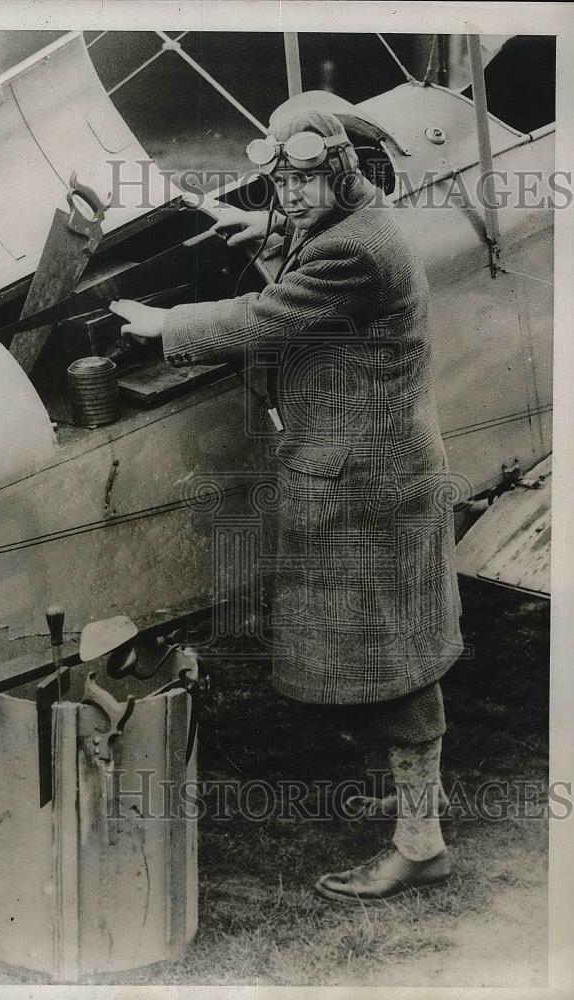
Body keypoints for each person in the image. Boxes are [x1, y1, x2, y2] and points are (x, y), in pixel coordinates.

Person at [110, 94, 465, 903]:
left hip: (371, 485)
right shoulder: (359, 218)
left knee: (399, 662)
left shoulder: (358, 253)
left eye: (306, 180)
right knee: (390, 649)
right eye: (281, 183)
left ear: (339, 171)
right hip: (374, 471)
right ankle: (421, 801)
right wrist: (265, 231)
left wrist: (164, 324)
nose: (292, 197)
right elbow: (315, 245)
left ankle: (420, 843)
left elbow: (267, 317)